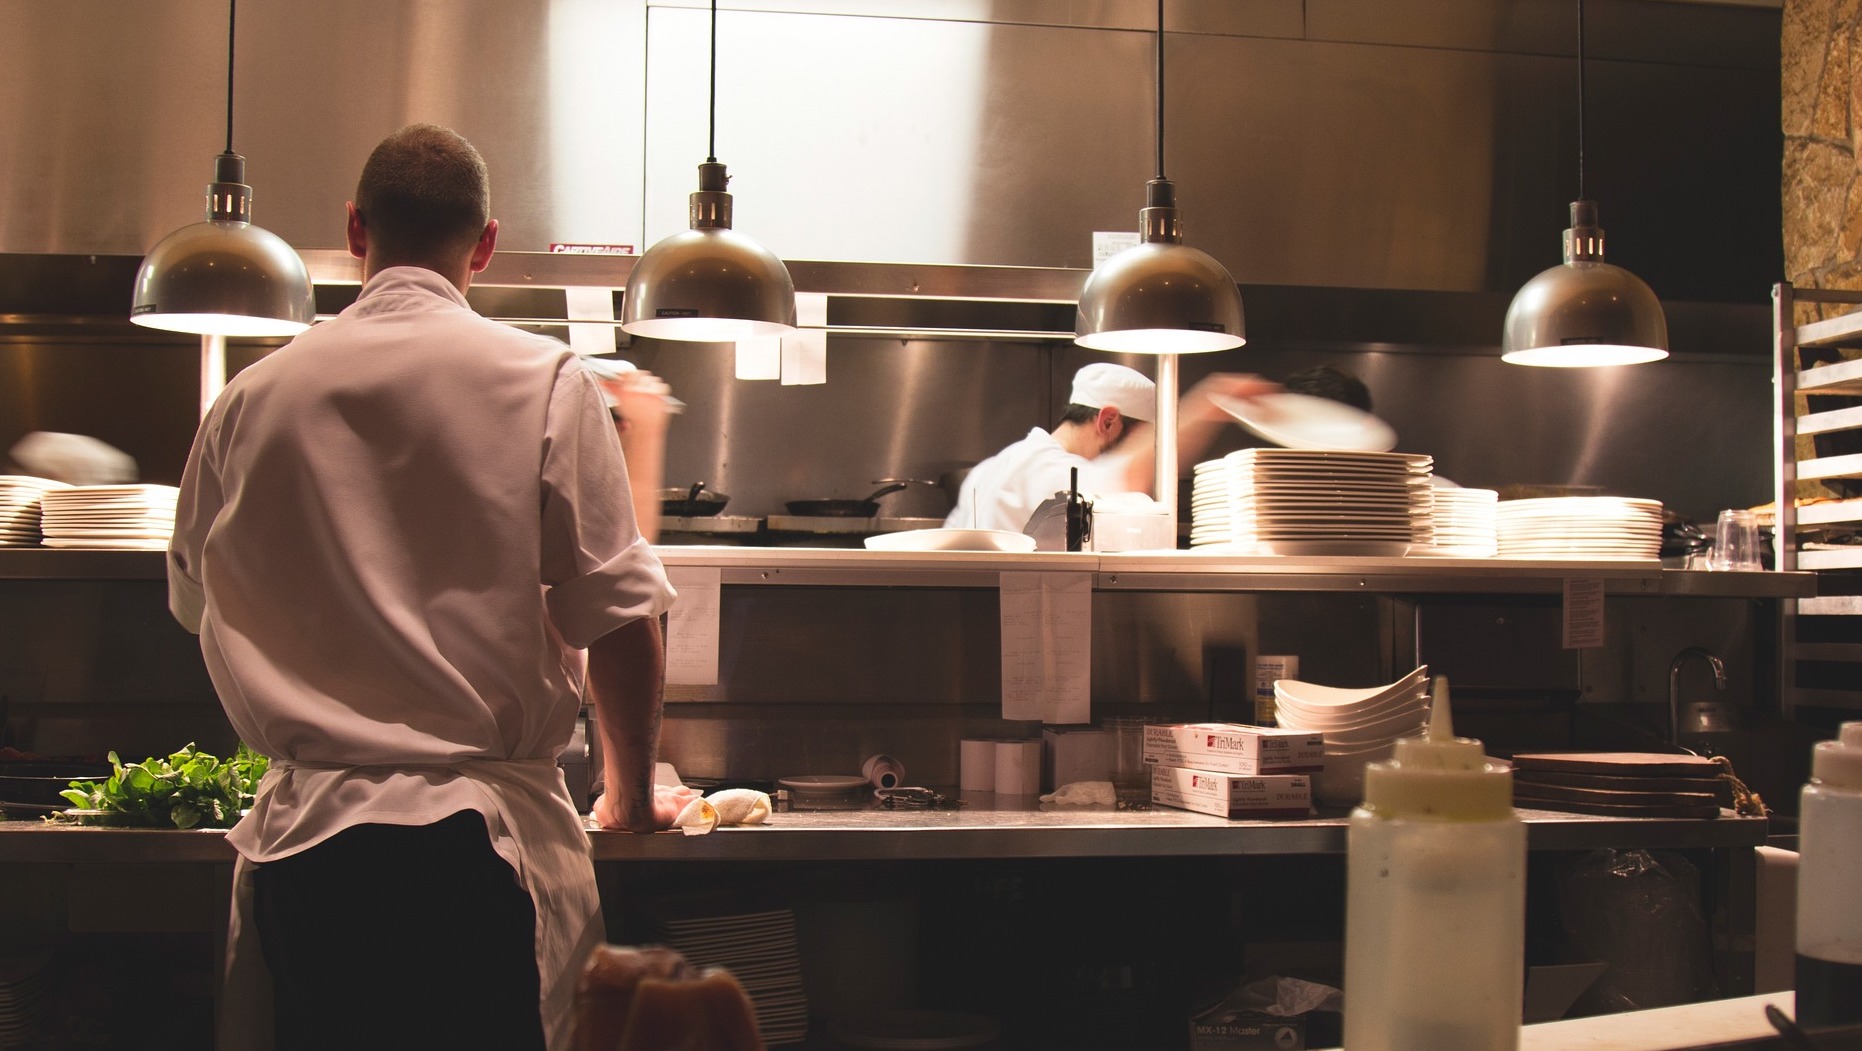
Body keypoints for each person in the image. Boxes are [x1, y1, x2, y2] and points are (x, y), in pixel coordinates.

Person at [166, 123, 699, 1051]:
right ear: (484, 244)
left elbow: (194, 602)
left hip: (310, 855)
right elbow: (616, 614)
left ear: (355, 229)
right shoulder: (545, 380)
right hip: (477, 854)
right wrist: (632, 792)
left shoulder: (250, 398)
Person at [945, 362, 1275, 533]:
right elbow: (1126, 475)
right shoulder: (1050, 470)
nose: (1144, 453)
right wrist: (1215, 400)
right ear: (1107, 421)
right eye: (1141, 441)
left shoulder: (988, 469)